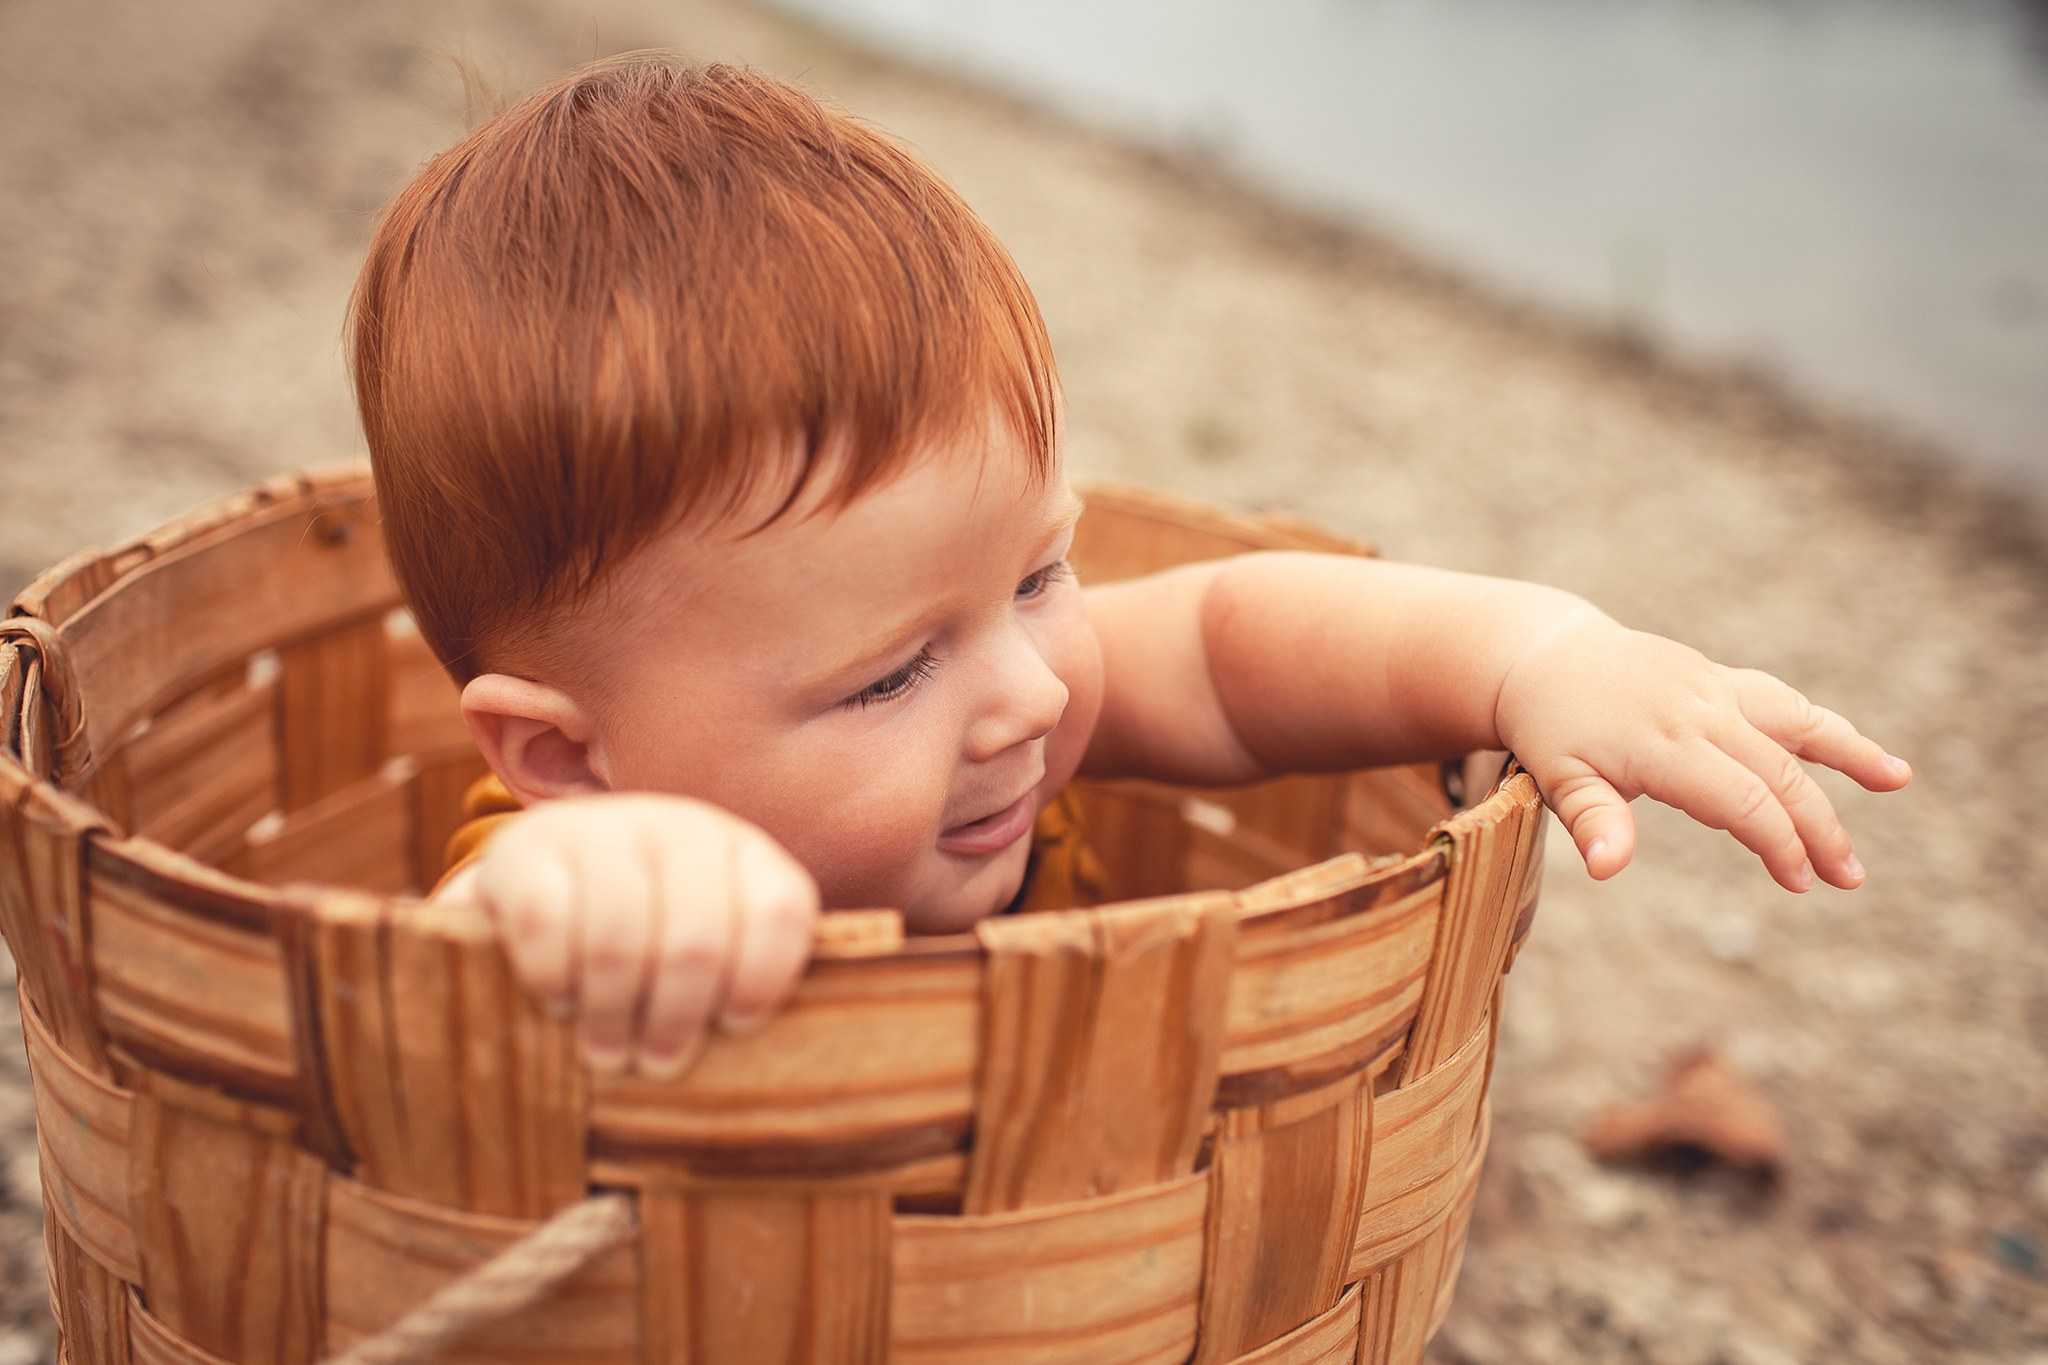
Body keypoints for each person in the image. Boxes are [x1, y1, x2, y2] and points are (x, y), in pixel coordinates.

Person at [349, 57, 1908, 1080]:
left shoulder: (1004, 742)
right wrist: (604, 893)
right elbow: (455, 972)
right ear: (571, 761)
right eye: (890, 673)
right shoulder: (550, 877)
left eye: (1041, 576)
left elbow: (1231, 645)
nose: (1030, 694)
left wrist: (1537, 651)